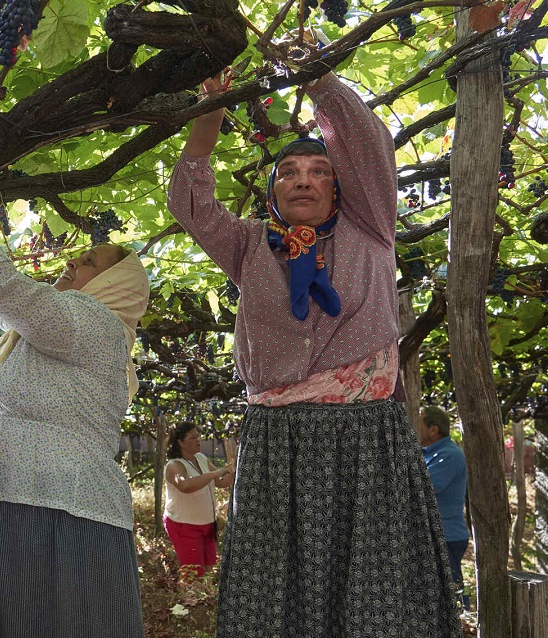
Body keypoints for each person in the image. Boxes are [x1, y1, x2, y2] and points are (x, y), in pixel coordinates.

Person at [167, 63, 460, 636]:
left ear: (338, 184)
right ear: (273, 189)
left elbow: (369, 144)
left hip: (365, 440)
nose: (303, 180)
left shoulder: (371, 227)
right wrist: (212, 110)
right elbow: (192, 203)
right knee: (278, 595)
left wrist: (317, 80)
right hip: (277, 447)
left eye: (318, 171)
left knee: (373, 596)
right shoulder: (251, 244)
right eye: (289, 173)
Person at [0, 148, 151, 637]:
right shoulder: (57, 334)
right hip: (19, 503)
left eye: (91, 260)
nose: (75, 258)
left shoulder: (94, 322)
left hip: (57, 509)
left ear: (115, 285)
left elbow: (2, 288)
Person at [164, 421, 233, 577]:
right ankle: (187, 601)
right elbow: (186, 485)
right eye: (192, 438)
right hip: (184, 525)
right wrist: (215, 473)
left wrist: (232, 473)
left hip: (207, 524)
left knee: (208, 568)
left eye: (198, 436)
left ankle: (202, 600)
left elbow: (221, 482)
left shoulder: (201, 458)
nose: (198, 440)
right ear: (180, 442)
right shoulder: (174, 465)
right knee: (192, 574)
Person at [418, 405, 470, 608]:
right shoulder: (429, 454)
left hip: (446, 535)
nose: (415, 428)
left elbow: (424, 487)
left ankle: (462, 623)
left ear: (433, 429)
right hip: (438, 534)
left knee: (451, 590)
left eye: (420, 424)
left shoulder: (448, 455)